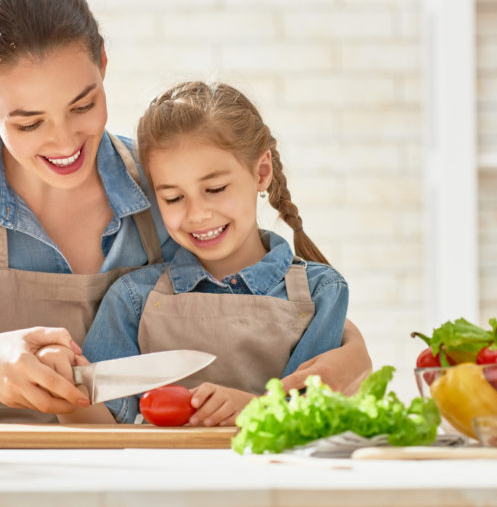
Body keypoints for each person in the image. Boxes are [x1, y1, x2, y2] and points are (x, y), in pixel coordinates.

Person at [0, 0, 372, 440]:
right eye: (29, 123)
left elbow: (256, 302)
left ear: (103, 64)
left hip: (127, 475)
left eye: (83, 105)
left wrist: (351, 354)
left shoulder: (165, 187)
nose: (65, 140)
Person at [57, 81, 355, 427]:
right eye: (173, 198)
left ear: (261, 172)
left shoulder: (322, 293)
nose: (197, 214)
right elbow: (101, 428)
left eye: (214, 189)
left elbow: (311, 420)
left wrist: (253, 409)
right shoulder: (132, 300)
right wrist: (66, 392)